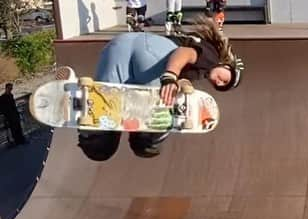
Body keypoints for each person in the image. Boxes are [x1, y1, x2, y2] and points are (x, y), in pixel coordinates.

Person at [74, 18, 243, 162]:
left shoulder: (199, 64)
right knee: (148, 139)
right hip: (155, 55)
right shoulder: (211, 58)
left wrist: (178, 81)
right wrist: (170, 75)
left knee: (101, 141)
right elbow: (184, 53)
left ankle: (88, 127)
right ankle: (153, 135)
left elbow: (184, 68)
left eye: (220, 86)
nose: (219, 82)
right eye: (224, 78)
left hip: (118, 45)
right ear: (226, 65)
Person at [0, 82, 27, 146]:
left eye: (11, 88)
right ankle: (18, 141)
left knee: (18, 127)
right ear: (6, 88)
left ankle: (21, 140)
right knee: (13, 128)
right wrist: (5, 114)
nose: (11, 89)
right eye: (10, 88)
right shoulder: (2, 97)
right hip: (9, 115)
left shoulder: (11, 95)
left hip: (14, 114)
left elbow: (13, 105)